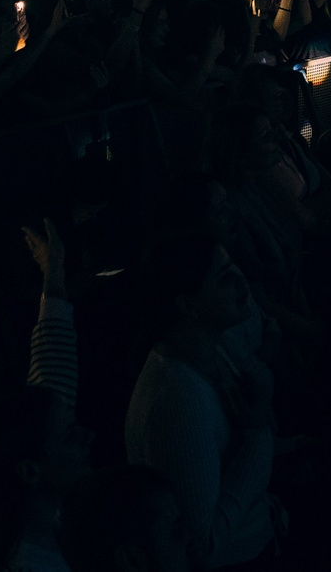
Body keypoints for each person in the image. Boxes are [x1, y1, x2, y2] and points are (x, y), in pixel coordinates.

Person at [121, 232, 278, 569]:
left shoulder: (213, 349)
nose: (240, 277)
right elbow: (202, 545)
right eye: (223, 276)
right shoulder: (178, 400)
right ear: (187, 304)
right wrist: (261, 436)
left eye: (232, 264)